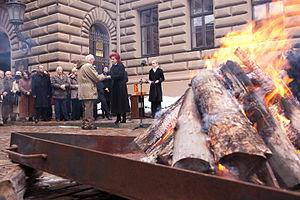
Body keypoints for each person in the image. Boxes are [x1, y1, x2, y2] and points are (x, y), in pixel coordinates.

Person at [76, 55, 110, 130]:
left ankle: (85, 123)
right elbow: (96, 77)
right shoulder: (88, 66)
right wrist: (104, 75)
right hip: (89, 89)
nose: (93, 62)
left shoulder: (80, 67)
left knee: (85, 107)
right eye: (93, 60)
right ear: (90, 60)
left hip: (82, 89)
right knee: (89, 108)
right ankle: (89, 124)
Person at [109, 52, 130, 124]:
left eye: (113, 59)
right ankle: (118, 118)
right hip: (115, 87)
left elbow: (120, 75)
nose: (112, 60)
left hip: (121, 87)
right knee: (116, 102)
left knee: (122, 102)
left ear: (117, 59)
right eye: (111, 59)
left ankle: (123, 118)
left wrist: (112, 77)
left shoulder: (121, 66)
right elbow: (111, 74)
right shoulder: (112, 67)